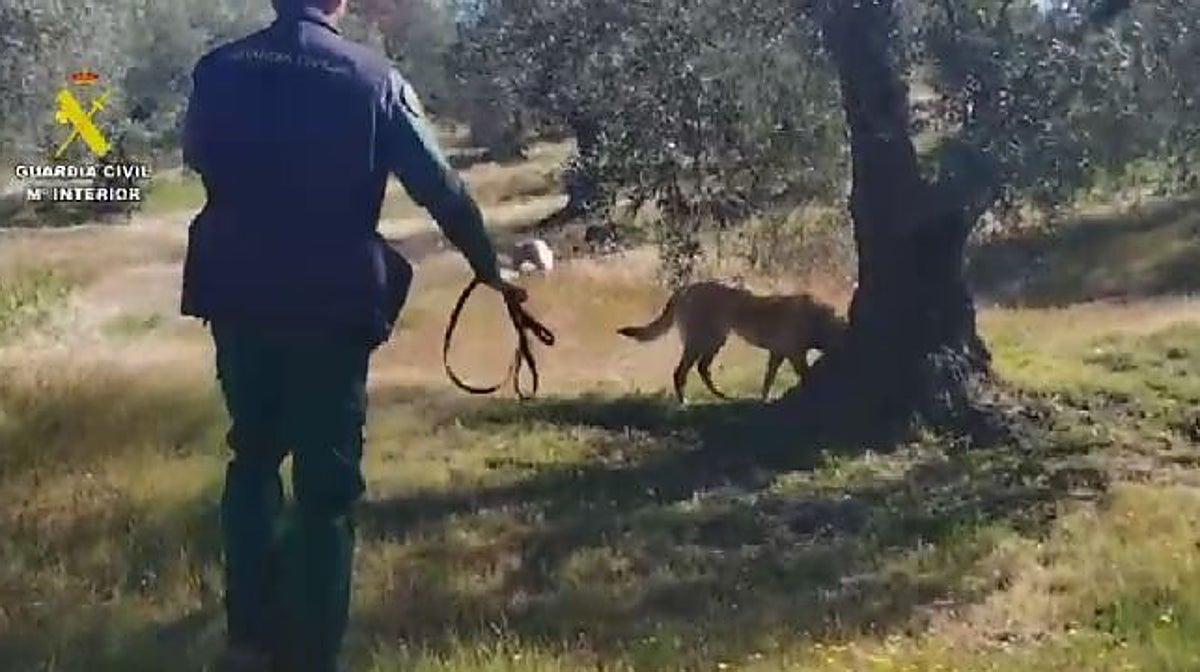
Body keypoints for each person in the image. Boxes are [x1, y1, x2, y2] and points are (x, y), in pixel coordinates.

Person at [179, 1, 527, 670]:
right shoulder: (375, 80)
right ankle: (311, 654)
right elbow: (442, 189)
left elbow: (200, 157)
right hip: (329, 306)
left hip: (236, 292)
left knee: (251, 456)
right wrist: (490, 268)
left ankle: (248, 643)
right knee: (326, 489)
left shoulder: (216, 69)